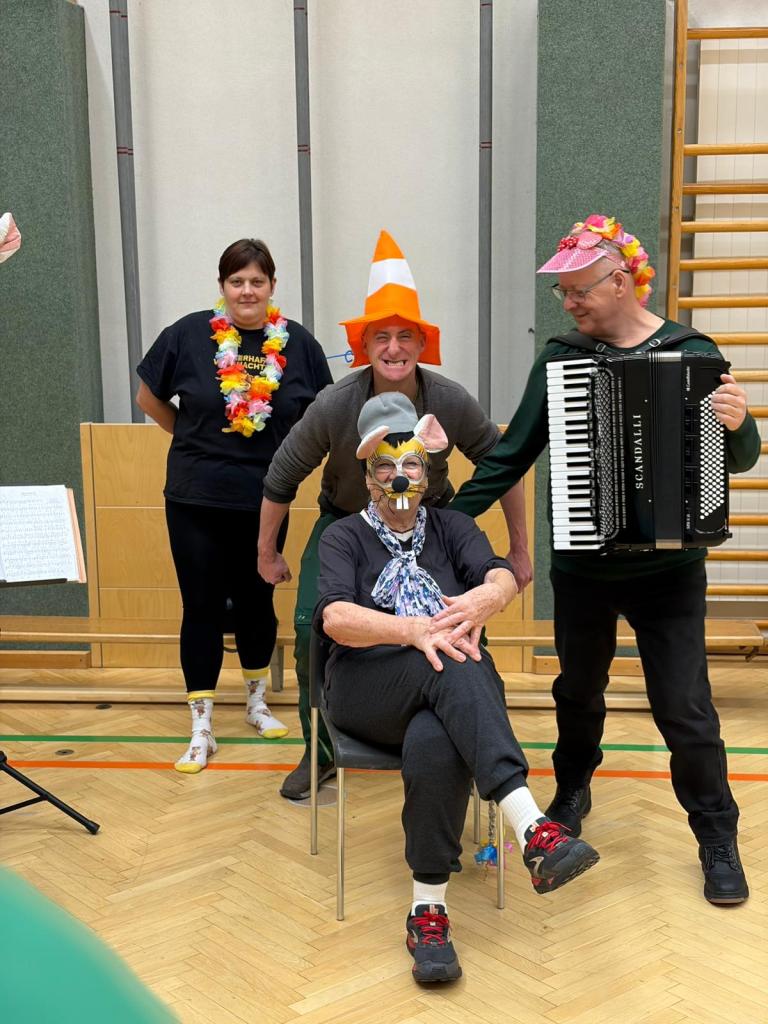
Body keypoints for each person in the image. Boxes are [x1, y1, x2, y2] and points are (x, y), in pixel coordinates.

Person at [448, 214, 761, 904]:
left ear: (620, 282)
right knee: (577, 693)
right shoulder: (561, 359)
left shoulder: (693, 352)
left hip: (669, 576)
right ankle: (572, 790)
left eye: (578, 290)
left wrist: (743, 427)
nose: (568, 304)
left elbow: (740, 458)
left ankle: (717, 836)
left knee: (685, 710)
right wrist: (444, 520)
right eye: (562, 293)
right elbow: (511, 454)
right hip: (584, 572)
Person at [314, 394, 600, 984]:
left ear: (428, 471)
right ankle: (531, 825)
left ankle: (428, 912)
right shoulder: (344, 536)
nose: (398, 476)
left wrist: (490, 594)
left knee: (437, 739)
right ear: (367, 477)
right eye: (385, 466)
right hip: (367, 687)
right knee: (458, 658)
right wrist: (413, 630)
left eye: (410, 463)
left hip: (443, 693)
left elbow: (500, 574)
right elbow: (336, 618)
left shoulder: (453, 527)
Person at [258, 230, 532, 800]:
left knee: (459, 618)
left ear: (421, 343)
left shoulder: (449, 399)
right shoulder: (336, 404)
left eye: (405, 335)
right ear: (364, 345)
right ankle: (320, 748)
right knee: (312, 625)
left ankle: (457, 731)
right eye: (381, 336)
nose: (393, 347)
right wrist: (267, 552)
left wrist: (520, 548)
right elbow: (281, 477)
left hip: (432, 523)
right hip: (348, 524)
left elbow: (502, 463)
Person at [136, 238, 332, 772]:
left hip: (266, 500)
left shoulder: (299, 344)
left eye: (257, 281)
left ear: (272, 286)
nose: (247, 290)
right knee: (200, 605)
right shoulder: (187, 334)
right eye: (236, 281)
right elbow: (147, 396)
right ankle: (201, 724)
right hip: (194, 497)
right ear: (222, 286)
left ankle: (255, 703)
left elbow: (320, 415)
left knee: (256, 600)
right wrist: (190, 436)